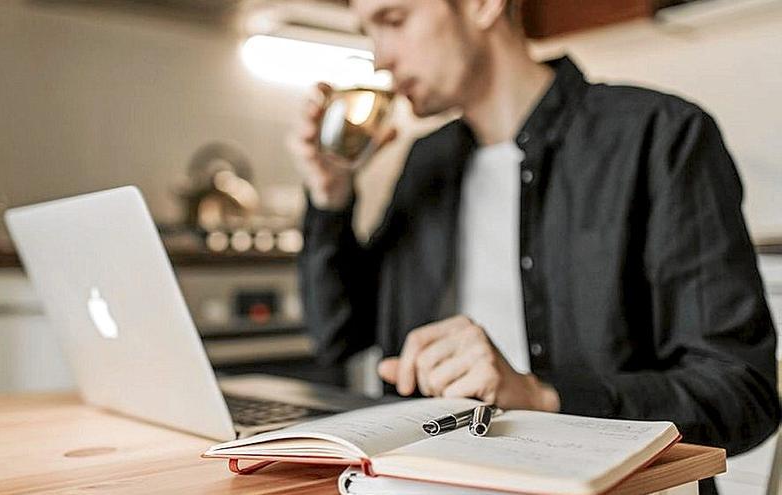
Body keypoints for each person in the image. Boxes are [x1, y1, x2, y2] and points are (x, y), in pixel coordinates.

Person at [290, 1, 780, 492]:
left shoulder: (660, 134)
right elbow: (337, 336)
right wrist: (330, 197)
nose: (381, 59)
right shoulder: (427, 161)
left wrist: (541, 397)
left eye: (394, 22)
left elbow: (742, 393)